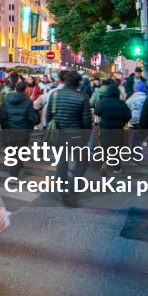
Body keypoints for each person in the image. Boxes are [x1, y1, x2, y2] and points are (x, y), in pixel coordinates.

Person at [44, 70, 93, 206]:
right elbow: (86, 121)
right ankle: (71, 187)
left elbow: (49, 117)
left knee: (61, 162)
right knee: (82, 161)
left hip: (58, 134)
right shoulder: (82, 97)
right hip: (76, 136)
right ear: (78, 83)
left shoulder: (55, 95)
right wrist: (85, 138)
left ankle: (62, 190)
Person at [0, 80, 39, 177]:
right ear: (25, 89)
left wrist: (4, 126)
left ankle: (17, 165)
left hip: (9, 127)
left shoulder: (7, 98)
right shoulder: (28, 101)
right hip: (23, 128)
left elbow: (3, 115)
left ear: (15, 88)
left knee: (13, 149)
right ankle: (14, 173)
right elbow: (31, 117)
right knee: (19, 150)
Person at [95, 82, 132, 174]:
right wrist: (122, 121)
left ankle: (105, 163)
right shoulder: (122, 103)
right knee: (117, 149)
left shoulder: (103, 102)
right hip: (118, 130)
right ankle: (117, 168)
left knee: (105, 147)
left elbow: (97, 112)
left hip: (105, 129)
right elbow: (128, 115)